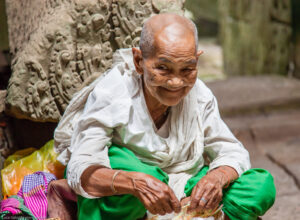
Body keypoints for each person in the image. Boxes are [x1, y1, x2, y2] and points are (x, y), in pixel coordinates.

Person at [48, 13, 276, 220]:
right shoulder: (113, 92)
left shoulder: (200, 95)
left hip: (184, 188)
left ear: (197, 60)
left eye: (187, 69)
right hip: (130, 194)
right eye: (163, 69)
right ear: (138, 61)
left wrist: (215, 179)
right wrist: (135, 183)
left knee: (260, 185)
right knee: (126, 164)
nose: (176, 82)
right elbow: (81, 166)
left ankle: (188, 214)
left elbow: (231, 151)